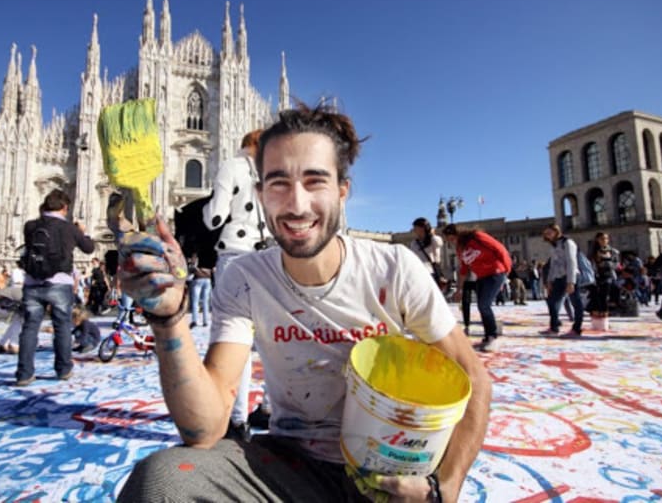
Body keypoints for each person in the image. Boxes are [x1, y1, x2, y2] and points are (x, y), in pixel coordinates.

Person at [115, 103, 491, 502]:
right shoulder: (246, 278)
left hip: (389, 473)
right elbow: (205, 430)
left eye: (315, 182)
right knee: (161, 480)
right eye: (278, 183)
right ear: (260, 194)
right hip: (293, 467)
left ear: (342, 191)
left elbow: (474, 379)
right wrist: (169, 319)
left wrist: (442, 490)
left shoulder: (393, 269)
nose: (296, 204)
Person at [202, 129, 273, 437]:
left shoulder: (232, 166)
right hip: (267, 257)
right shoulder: (271, 173)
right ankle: (269, 409)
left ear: (245, 145)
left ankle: (237, 418)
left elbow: (215, 218)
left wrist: (203, 211)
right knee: (268, 338)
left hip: (235, 255)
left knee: (235, 336)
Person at [15, 189, 95, 386]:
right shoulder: (69, 228)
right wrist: (82, 232)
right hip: (59, 282)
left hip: (33, 282)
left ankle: (24, 374)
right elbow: (89, 248)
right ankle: (63, 369)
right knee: (62, 327)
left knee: (29, 328)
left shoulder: (30, 226)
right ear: (65, 207)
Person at [441, 223, 512, 352]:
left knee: (484, 305)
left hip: (495, 272)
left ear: (458, 234)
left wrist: (506, 270)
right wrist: (459, 289)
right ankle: (488, 335)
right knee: (481, 306)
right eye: (448, 240)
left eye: (452, 238)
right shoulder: (460, 249)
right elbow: (464, 269)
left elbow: (500, 249)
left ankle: (493, 336)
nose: (451, 242)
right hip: (481, 277)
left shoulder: (477, 237)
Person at [540, 223, 584, 337]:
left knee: (576, 302)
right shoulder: (554, 246)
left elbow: (571, 262)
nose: (548, 236)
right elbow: (553, 265)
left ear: (556, 231)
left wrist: (571, 281)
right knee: (552, 301)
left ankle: (577, 328)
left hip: (570, 276)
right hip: (558, 277)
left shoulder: (567, 243)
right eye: (546, 234)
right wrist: (549, 280)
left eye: (549, 233)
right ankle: (554, 326)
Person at [590, 232, 620, 329]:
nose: (604, 241)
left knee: (606, 297)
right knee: (597, 298)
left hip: (609, 276)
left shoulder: (613, 251)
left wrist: (607, 264)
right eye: (602, 239)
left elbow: (616, 264)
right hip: (596, 277)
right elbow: (591, 265)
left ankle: (605, 320)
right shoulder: (593, 252)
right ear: (597, 240)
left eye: (606, 238)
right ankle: (598, 321)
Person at [410, 217, 446, 291]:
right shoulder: (414, 243)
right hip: (418, 271)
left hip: (431, 271)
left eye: (415, 227)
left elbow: (439, 244)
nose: (413, 230)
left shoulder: (434, 239)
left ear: (422, 228)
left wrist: (432, 234)